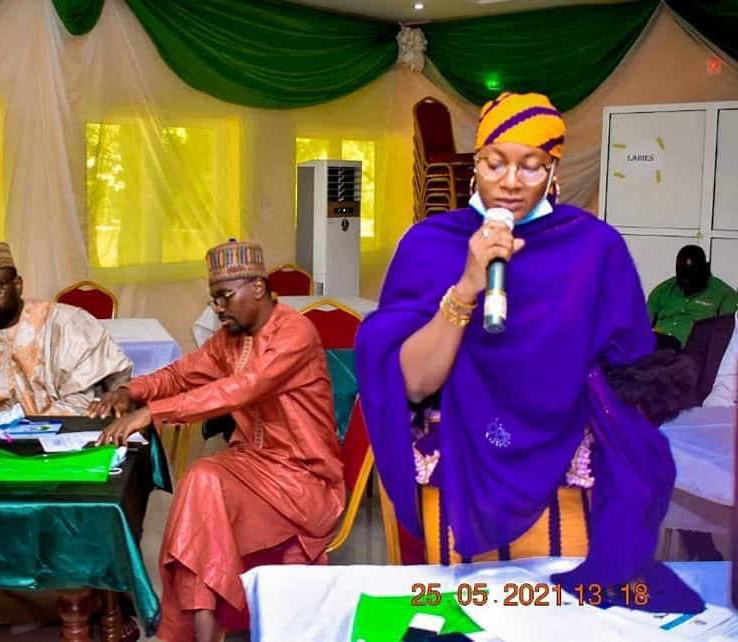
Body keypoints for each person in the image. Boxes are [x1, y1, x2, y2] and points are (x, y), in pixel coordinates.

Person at [356, 92, 702, 612]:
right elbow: (415, 384)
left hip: (568, 472)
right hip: (458, 471)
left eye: (531, 165)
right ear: (475, 164)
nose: (511, 182)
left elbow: (629, 370)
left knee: (562, 617)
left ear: (553, 170)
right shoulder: (429, 244)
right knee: (469, 617)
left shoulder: (595, 247)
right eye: (495, 163)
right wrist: (467, 286)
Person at [87, 240, 343, 642]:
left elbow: (242, 388)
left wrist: (152, 413)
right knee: (201, 479)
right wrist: (130, 392)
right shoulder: (230, 339)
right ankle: (204, 629)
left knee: (204, 486)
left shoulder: (294, 333)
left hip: (302, 477)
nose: (219, 309)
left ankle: (199, 632)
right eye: (214, 299)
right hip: (251, 464)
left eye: (225, 296)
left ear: (257, 288)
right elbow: (180, 374)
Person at [0, 241, 133, 417]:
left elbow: (84, 404)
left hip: (56, 442)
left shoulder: (66, 324)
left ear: (18, 285)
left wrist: (26, 432)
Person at [648, 245, 737, 350]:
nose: (686, 280)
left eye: (692, 274)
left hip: (691, 351)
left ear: (705, 268)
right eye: (682, 274)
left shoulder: (724, 294)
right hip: (657, 344)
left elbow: (725, 335)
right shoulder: (662, 290)